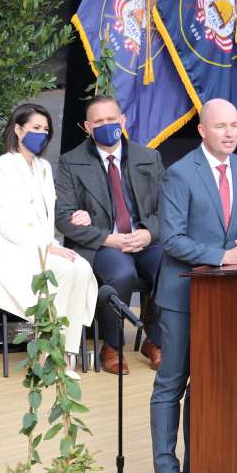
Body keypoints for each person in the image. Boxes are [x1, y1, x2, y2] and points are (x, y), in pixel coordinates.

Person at [152, 98, 237, 473]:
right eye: (221, 126)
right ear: (202, 130)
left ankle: (202, 466)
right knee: (173, 382)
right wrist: (223, 256)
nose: (230, 133)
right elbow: (173, 239)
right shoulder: (180, 174)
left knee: (209, 383)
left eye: (235, 125)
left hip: (226, 298)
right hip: (184, 294)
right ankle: (166, 472)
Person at [0, 104, 98, 369]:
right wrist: (44, 248)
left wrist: (54, 241)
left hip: (44, 245)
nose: (42, 134)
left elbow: (47, 217)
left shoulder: (43, 167)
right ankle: (47, 350)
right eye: (35, 128)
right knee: (62, 272)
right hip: (9, 249)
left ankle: (66, 353)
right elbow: (7, 223)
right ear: (18, 130)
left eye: (45, 129)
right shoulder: (1, 168)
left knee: (80, 267)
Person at [55, 96, 164, 375]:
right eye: (99, 122)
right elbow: (63, 217)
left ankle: (156, 341)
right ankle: (112, 347)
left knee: (170, 265)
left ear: (123, 121)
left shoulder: (148, 157)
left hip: (144, 240)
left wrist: (148, 233)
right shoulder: (71, 162)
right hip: (103, 244)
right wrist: (107, 238)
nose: (107, 126)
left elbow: (168, 209)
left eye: (112, 119)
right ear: (87, 127)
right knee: (122, 273)